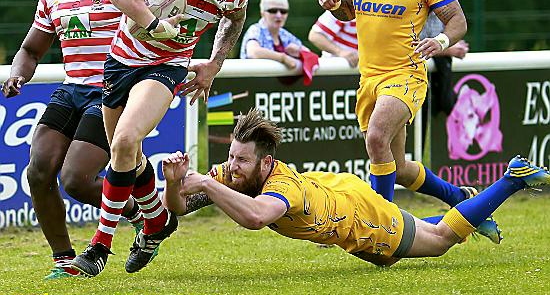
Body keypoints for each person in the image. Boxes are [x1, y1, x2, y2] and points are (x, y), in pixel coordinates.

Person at [71, 0, 257, 277]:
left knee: (126, 140)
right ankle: (157, 222)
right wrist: (151, 22)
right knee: (124, 153)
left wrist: (214, 65)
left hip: (167, 66)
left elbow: (235, 19)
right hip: (121, 61)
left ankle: (100, 246)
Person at [161, 108, 550, 266]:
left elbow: (257, 218)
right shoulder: (234, 172)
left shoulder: (282, 187)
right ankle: (473, 214)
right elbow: (178, 208)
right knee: (389, 257)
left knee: (439, 241)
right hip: (337, 192)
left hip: (358, 214)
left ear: (265, 162)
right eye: (231, 156)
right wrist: (176, 184)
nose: (231, 166)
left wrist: (208, 188)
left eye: (240, 160)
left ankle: (510, 178)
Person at [1, 0, 144, 280]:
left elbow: (151, 23)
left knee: (77, 179)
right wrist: (18, 73)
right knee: (38, 171)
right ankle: (63, 259)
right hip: (72, 88)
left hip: (111, 88)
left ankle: (141, 215)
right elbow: (31, 49)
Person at [318, 0, 470, 204]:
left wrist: (440, 41)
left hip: (405, 76)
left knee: (376, 138)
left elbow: (458, 21)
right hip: (369, 79)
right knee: (398, 168)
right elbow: (348, 12)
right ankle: (459, 197)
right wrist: (335, 4)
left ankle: (383, 227)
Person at [419, 0, 470, 145]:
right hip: (415, 68)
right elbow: (416, 45)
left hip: (437, 63)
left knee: (445, 102)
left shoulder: (446, 6)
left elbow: (457, 28)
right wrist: (449, 49)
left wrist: (449, 46)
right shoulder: (416, 7)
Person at [240, 0, 311, 71]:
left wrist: (299, 52)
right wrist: (283, 58)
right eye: (273, 11)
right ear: (262, 13)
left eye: (283, 11)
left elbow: (309, 54)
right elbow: (253, 52)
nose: (279, 15)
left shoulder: (284, 34)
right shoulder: (255, 30)